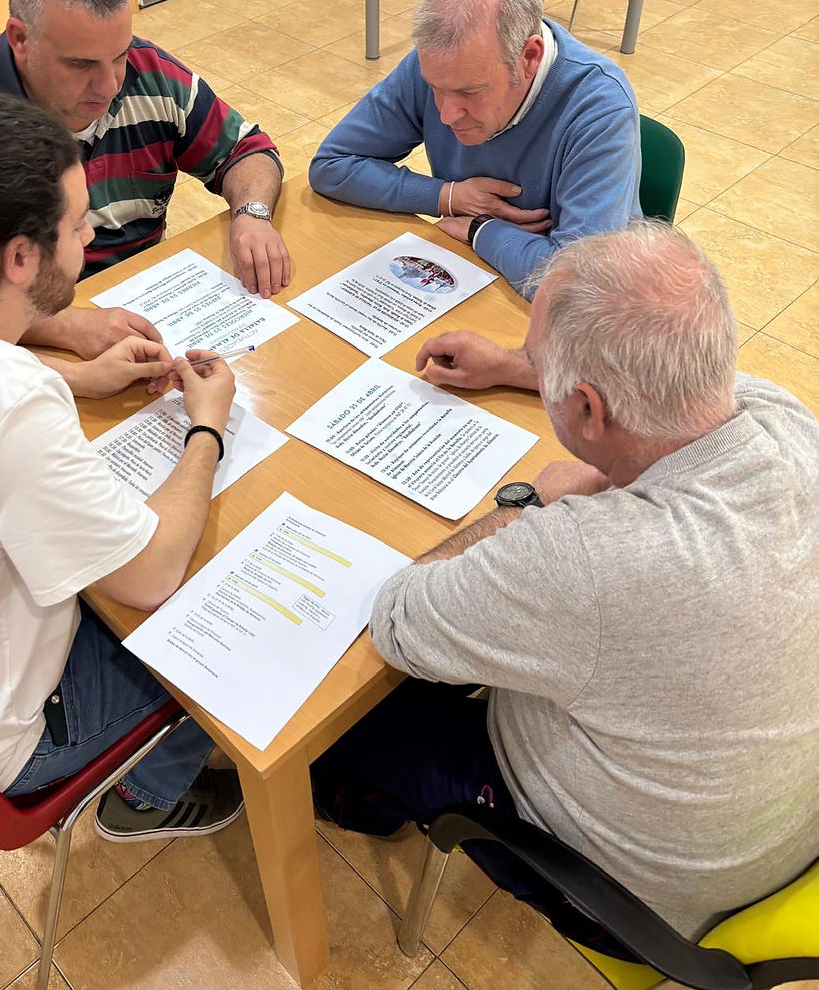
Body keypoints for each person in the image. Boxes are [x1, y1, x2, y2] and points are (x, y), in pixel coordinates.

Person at [312, 221, 819, 946]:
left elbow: (397, 618)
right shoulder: (787, 421)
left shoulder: (584, 555)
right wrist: (517, 368)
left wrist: (528, 507)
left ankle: (358, 803)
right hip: (778, 835)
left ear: (586, 407)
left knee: (356, 717)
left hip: (642, 902)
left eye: (542, 366)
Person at [0, 90, 243, 842]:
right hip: (3, 740)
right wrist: (206, 429)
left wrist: (78, 380)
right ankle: (149, 794)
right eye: (78, 222)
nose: (89, 234)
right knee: (228, 623)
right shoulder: (4, 397)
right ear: (20, 257)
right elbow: (152, 573)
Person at [0, 0, 291, 395]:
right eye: (82, 65)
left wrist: (252, 215)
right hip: (39, 344)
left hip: (147, 316)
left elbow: (247, 151)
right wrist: (66, 326)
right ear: (20, 39)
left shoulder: (151, 75)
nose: (109, 86)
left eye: (120, 56)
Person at [309, 0, 641, 313]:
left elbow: (577, 288)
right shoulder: (444, 65)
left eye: (470, 92)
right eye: (436, 89)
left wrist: (480, 230)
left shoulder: (600, 105)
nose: (446, 114)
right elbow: (333, 166)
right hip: (473, 278)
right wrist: (449, 197)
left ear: (529, 58)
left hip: (563, 316)